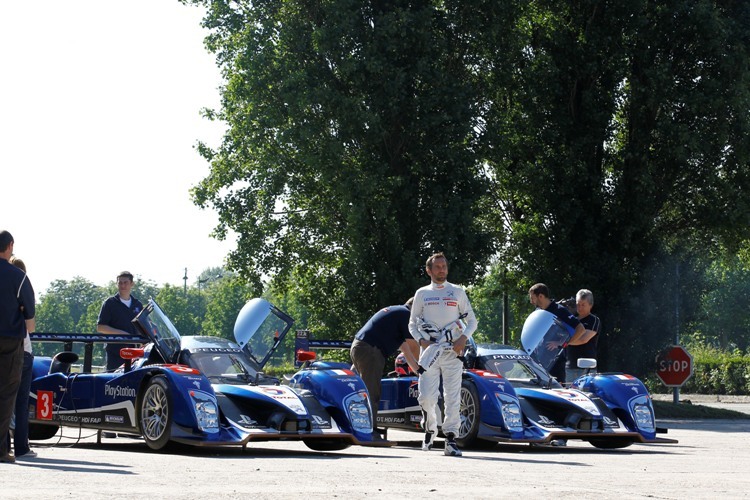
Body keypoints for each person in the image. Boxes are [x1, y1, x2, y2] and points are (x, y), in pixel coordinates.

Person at [409, 252, 477, 457]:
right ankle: (430, 429)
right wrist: (421, 340)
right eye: (437, 267)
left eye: (444, 266)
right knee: (427, 397)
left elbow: (472, 321)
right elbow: (412, 323)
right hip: (429, 353)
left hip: (452, 352)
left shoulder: (457, 291)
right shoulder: (422, 293)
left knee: (452, 397)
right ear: (429, 270)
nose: (442, 270)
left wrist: (462, 339)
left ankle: (450, 439)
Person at [350, 298, 420, 435]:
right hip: (370, 351)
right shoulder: (406, 315)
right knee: (371, 393)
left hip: (360, 348)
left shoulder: (396, 313)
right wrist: (426, 370)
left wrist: (419, 372)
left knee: (362, 391)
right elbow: (414, 348)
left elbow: (407, 352)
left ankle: (361, 426)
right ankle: (369, 431)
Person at [0, 230, 35, 464]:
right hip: (10, 343)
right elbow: (30, 323)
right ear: (10, 246)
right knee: (6, 397)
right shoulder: (18, 276)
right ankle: (2, 450)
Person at [7, 256, 36, 460]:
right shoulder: (22, 288)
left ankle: (4, 444)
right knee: (21, 401)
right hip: (23, 351)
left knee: (5, 399)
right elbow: (30, 326)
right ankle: (21, 446)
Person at [528, 283, 585, 384]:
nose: (531, 301)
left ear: (541, 296)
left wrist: (563, 344)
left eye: (533, 298)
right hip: (539, 360)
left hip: (556, 362)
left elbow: (580, 329)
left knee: (558, 392)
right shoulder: (538, 312)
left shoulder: (559, 310)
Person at [96, 271, 144, 371]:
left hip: (134, 353)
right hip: (115, 353)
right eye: (120, 283)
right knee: (113, 380)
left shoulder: (138, 304)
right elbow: (100, 327)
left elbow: (142, 326)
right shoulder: (110, 303)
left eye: (125, 282)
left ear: (132, 284)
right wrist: (122, 334)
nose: (122, 285)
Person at [565, 289, 601, 382]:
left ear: (590, 305)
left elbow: (583, 339)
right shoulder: (572, 320)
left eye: (583, 305)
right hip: (570, 366)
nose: (580, 308)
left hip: (587, 367)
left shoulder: (594, 320)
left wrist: (564, 343)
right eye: (578, 304)